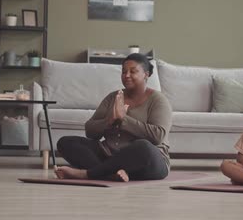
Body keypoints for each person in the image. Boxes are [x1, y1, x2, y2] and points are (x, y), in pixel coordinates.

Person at [54, 54, 172, 182]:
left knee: (143, 147)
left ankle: (87, 174)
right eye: (124, 71)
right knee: (66, 142)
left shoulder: (158, 100)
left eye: (133, 71)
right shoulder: (113, 97)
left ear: (146, 74)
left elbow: (158, 136)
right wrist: (109, 121)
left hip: (146, 159)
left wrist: (123, 120)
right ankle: (110, 173)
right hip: (109, 155)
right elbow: (90, 130)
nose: (126, 75)